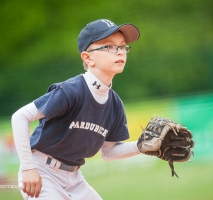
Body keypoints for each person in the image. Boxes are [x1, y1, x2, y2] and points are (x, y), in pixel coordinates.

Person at [11, 19, 141, 199]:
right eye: (109, 46)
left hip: (75, 179)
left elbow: (108, 152)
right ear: (88, 58)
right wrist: (28, 168)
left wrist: (142, 146)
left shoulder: (115, 104)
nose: (119, 51)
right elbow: (20, 117)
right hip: (42, 173)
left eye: (123, 46)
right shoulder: (71, 91)